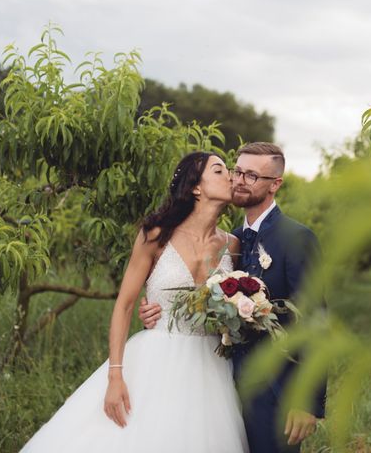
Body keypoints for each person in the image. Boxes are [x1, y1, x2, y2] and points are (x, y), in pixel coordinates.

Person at [21, 152, 249, 453]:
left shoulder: (233, 245)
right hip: (156, 360)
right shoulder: (156, 235)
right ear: (196, 187)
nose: (231, 177)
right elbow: (125, 305)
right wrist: (115, 375)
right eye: (220, 171)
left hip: (210, 368)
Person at [140, 142, 327, 453]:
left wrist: (308, 402)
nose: (239, 180)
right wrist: (155, 309)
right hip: (220, 386)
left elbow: (316, 322)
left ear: (275, 185)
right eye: (237, 171)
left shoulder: (296, 238)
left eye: (252, 176)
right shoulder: (230, 242)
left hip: (276, 395)